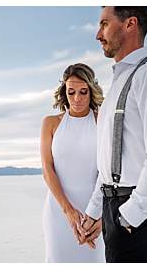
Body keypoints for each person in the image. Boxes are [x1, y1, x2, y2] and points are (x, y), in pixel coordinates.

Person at [76, 7, 147, 262]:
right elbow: (108, 161)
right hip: (115, 207)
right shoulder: (120, 80)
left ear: (130, 24)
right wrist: (97, 211)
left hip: (138, 209)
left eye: (104, 24)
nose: (97, 34)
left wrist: (129, 217)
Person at [40, 63, 105, 262]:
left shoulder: (102, 121)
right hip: (58, 212)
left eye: (83, 92)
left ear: (91, 91)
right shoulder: (51, 123)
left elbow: (109, 172)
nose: (77, 98)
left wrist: (101, 217)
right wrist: (68, 211)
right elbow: (47, 169)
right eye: (71, 92)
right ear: (64, 92)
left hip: (94, 213)